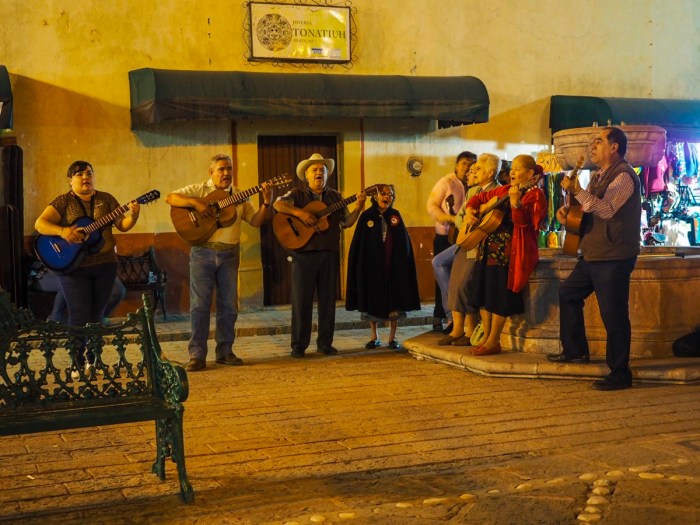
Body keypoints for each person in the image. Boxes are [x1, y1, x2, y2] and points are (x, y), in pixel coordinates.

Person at [547, 127, 641, 391]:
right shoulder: (598, 176)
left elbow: (608, 209)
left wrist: (578, 191)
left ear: (614, 147)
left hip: (614, 256)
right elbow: (587, 209)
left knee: (614, 315)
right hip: (593, 254)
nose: (592, 146)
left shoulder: (624, 176)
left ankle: (620, 373)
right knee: (568, 294)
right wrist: (569, 213)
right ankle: (575, 350)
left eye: (598, 141)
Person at [166, 154, 272, 372]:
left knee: (229, 306)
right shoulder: (199, 190)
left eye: (229, 169)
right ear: (211, 172)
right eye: (221, 169)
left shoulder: (241, 195)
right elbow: (170, 198)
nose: (226, 173)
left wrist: (267, 202)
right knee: (199, 305)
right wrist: (196, 203)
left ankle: (225, 351)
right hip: (202, 253)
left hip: (229, 254)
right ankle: (197, 355)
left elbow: (256, 221)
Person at [34, 160, 141, 375]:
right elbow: (40, 224)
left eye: (89, 173)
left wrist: (135, 215)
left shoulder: (106, 199)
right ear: (70, 180)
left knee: (97, 314)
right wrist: (63, 232)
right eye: (79, 174)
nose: (85, 177)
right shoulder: (64, 201)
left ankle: (93, 361)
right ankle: (77, 361)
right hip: (75, 267)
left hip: (105, 265)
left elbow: (122, 225)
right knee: (79, 315)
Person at [273, 153, 366, 358]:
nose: (318, 173)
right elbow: (277, 205)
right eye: (314, 170)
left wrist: (358, 208)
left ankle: (325, 343)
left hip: (329, 254)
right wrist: (301, 213)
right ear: (306, 175)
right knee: (301, 302)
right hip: (303, 255)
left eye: (322, 170)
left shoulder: (336, 197)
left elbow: (346, 222)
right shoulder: (296, 194)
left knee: (327, 302)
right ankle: (298, 345)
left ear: (326, 175)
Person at [462, 154, 547, 356]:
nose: (512, 172)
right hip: (487, 249)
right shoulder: (504, 189)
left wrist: (516, 204)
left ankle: (494, 340)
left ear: (530, 174)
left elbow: (525, 224)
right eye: (512, 168)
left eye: (518, 169)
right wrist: (470, 210)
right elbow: (478, 198)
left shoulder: (535, 194)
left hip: (508, 252)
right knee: (484, 294)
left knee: (498, 296)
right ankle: (486, 338)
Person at [346, 184, 421, 350]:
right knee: (372, 300)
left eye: (391, 194)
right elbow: (359, 243)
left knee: (394, 302)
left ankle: (393, 337)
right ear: (375, 196)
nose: (387, 197)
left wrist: (402, 262)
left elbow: (404, 242)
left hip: (392, 267)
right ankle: (374, 336)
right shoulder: (366, 216)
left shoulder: (395, 215)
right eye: (384, 193)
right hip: (372, 267)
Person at [438, 154, 500, 346]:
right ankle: (457, 329)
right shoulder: (473, 191)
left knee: (467, 284)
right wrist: (465, 221)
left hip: (481, 244)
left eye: (479, 168)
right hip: (466, 240)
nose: (474, 171)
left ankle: (470, 330)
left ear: (490, 172)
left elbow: (494, 220)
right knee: (455, 282)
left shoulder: (498, 191)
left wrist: (476, 224)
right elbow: (460, 216)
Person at [426, 151, 477, 333]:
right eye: (464, 163)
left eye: (472, 164)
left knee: (460, 278)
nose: (468, 167)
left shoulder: (474, 184)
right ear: (456, 165)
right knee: (442, 273)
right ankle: (443, 315)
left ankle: (457, 318)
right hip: (445, 236)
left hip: (466, 237)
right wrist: (446, 218)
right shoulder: (446, 182)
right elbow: (431, 205)